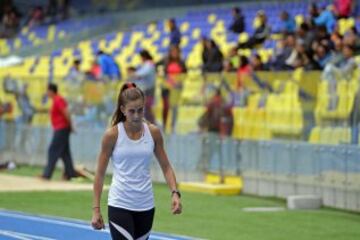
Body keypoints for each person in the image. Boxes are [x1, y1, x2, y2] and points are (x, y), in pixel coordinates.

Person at [91, 82, 182, 239]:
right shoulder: (112, 135)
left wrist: (175, 193)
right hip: (120, 203)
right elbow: (99, 174)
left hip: (146, 205)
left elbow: (166, 166)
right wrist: (96, 209)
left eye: (140, 110)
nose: (136, 116)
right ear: (123, 110)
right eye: (132, 111)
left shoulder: (153, 133)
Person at [40, 83, 78, 180]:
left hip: (62, 128)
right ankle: (70, 174)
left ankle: (47, 174)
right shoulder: (56, 100)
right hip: (61, 128)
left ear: (51, 91)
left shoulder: (58, 100)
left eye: (47, 91)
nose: (46, 93)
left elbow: (66, 113)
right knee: (65, 152)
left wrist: (71, 126)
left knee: (53, 150)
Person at [128, 49, 156, 124]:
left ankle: (152, 124)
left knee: (146, 108)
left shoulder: (149, 64)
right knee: (147, 108)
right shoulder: (148, 64)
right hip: (147, 89)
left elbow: (142, 73)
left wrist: (133, 74)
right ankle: (152, 124)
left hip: (149, 90)